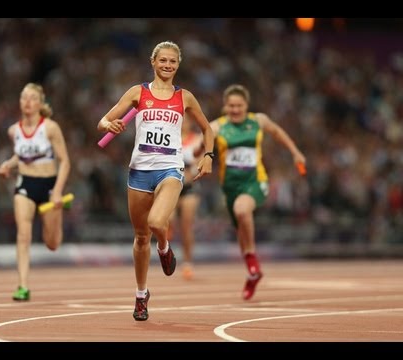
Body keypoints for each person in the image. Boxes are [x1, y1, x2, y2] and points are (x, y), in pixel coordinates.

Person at [97, 41, 214, 321]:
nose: (167, 65)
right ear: (153, 61)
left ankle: (163, 248)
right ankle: (141, 295)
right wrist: (108, 125)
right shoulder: (139, 92)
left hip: (170, 170)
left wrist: (209, 155)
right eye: (163, 60)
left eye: (173, 61)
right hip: (139, 172)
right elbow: (103, 120)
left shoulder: (184, 97)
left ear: (178, 64)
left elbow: (207, 128)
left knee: (157, 223)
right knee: (140, 238)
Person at [204, 84, 306, 301]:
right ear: (225, 106)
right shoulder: (217, 127)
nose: (235, 109)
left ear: (246, 105)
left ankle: (252, 263)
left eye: (239, 105)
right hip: (230, 186)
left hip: (255, 181)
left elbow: (278, 133)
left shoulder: (259, 120)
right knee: (241, 228)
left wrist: (295, 152)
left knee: (242, 210)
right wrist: (197, 155)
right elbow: (201, 143)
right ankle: (252, 272)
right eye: (231, 106)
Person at [0, 82, 71, 301]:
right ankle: (22, 286)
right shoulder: (14, 130)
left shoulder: (50, 127)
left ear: (40, 103)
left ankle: (59, 215)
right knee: (23, 234)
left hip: (49, 186)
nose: (27, 102)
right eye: (23, 98)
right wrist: (8, 165)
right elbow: (21, 155)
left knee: (52, 243)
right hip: (25, 185)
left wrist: (57, 191)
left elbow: (65, 161)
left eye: (32, 98)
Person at [167, 117, 202, 280]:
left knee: (186, 227)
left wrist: (192, 172)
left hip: (189, 188)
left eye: (186, 120)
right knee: (168, 221)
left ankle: (187, 263)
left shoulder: (196, 139)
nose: (183, 123)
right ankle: (167, 251)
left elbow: (200, 162)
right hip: (171, 186)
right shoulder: (168, 137)